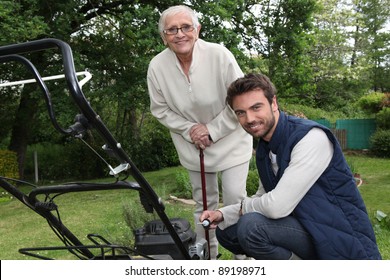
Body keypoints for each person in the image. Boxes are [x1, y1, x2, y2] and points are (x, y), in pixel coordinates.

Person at [200, 73, 382, 260]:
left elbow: (276, 207)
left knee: (252, 226)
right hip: (306, 227)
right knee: (227, 231)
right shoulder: (265, 147)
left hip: (338, 237)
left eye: (256, 107)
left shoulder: (311, 138)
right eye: (241, 112)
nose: (250, 118)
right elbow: (264, 196)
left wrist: (242, 209)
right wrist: (224, 213)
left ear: (274, 103)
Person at [147, 5, 253, 259]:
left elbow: (240, 99)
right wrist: (190, 130)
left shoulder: (220, 55)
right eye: (172, 29)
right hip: (193, 145)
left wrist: (212, 130)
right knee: (202, 205)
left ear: (198, 30)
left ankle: (244, 258)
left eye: (186, 27)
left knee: (235, 202)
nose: (179, 34)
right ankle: (207, 260)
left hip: (231, 140)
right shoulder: (156, 66)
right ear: (164, 36)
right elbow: (160, 109)